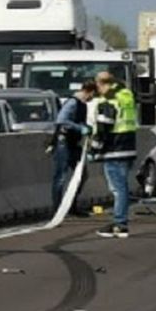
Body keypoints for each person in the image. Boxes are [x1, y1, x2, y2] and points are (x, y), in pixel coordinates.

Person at [90, 71, 138, 239]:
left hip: (114, 150)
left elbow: (104, 127)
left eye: (98, 85)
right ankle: (121, 222)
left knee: (118, 189)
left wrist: (94, 149)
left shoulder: (109, 100)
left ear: (102, 84)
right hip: (128, 148)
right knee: (122, 187)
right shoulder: (126, 95)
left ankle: (120, 224)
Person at [51, 80, 96, 215]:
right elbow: (61, 120)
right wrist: (79, 128)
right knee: (61, 177)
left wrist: (86, 127)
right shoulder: (72, 103)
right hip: (63, 142)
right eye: (93, 95)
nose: (92, 98)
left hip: (73, 143)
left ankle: (72, 205)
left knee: (81, 175)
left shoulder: (83, 105)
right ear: (89, 91)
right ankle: (57, 208)